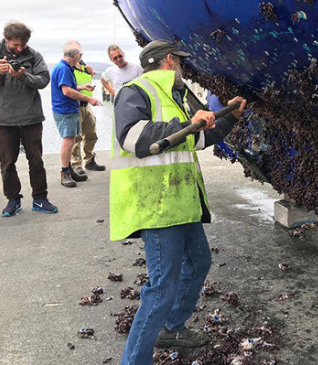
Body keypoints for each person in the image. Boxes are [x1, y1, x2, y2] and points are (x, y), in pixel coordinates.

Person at [110, 40, 246, 364]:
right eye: (181, 62)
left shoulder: (178, 97)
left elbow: (198, 137)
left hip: (182, 204)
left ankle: (172, 328)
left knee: (199, 262)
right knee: (161, 290)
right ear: (169, 61)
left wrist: (229, 118)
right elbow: (131, 137)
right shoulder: (136, 91)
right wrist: (184, 124)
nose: (183, 68)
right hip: (157, 207)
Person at [0, 22, 58, 216]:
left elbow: (43, 80)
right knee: (7, 164)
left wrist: (23, 75)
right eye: (15, 45)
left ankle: (40, 199)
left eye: (23, 44)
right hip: (3, 119)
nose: (20, 48)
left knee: (36, 160)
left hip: (31, 118)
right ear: (7, 39)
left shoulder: (34, 55)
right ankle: (13, 201)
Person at [50, 41, 102, 187]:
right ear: (76, 55)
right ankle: (64, 173)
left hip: (70, 110)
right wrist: (89, 98)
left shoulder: (65, 68)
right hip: (65, 111)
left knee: (72, 140)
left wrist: (82, 86)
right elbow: (67, 91)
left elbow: (67, 87)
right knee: (68, 142)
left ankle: (70, 170)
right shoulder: (64, 69)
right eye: (80, 55)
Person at [72, 60, 106, 177]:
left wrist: (91, 73)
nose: (78, 57)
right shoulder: (68, 69)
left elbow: (87, 80)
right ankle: (76, 164)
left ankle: (90, 160)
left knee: (91, 133)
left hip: (87, 105)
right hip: (75, 105)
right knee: (76, 137)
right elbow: (67, 88)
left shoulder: (85, 68)